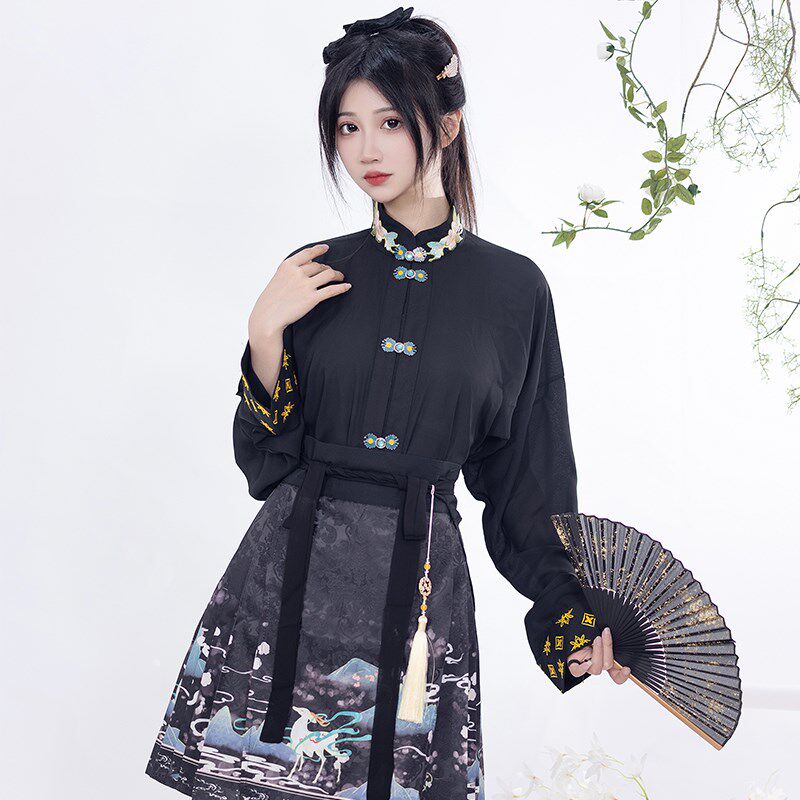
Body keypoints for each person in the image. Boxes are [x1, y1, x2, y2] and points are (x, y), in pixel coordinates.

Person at [144, 7, 630, 800]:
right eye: (348, 127)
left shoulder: (514, 292)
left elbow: (528, 481)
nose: (366, 150)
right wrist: (263, 333)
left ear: (447, 124)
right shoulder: (310, 273)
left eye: (391, 122)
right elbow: (264, 465)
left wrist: (572, 614)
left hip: (422, 593)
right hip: (289, 583)